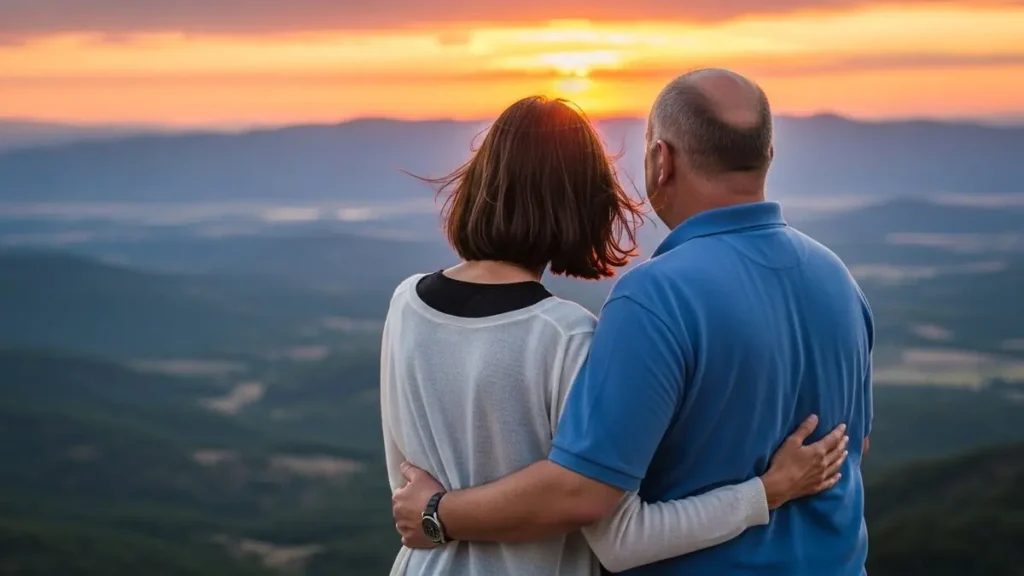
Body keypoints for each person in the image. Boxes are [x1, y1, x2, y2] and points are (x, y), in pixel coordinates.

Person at [392, 71, 874, 576]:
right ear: (769, 156)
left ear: (661, 160)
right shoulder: (838, 279)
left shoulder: (657, 295)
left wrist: (436, 513)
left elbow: (586, 500)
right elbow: (853, 443)